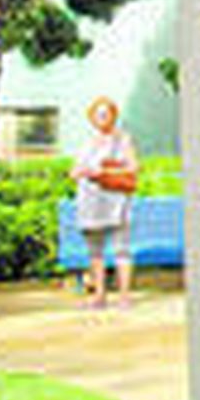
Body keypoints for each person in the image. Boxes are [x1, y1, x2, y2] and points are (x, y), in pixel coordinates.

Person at [70, 96, 139, 308]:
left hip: (115, 201)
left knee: (121, 249)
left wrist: (103, 171)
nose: (102, 118)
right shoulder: (88, 141)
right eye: (98, 114)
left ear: (113, 116)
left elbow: (133, 168)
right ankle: (99, 295)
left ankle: (124, 296)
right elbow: (76, 168)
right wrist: (78, 172)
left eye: (106, 114)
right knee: (95, 252)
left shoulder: (122, 139)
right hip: (91, 202)